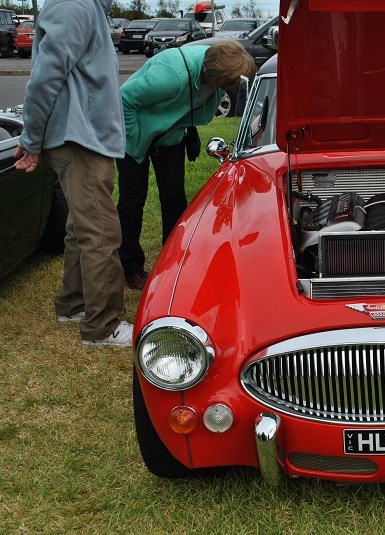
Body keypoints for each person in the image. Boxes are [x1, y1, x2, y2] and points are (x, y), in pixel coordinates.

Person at [14, 0, 132, 348]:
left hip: (86, 137)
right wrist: (32, 139)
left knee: (83, 228)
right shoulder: (75, 5)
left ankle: (74, 304)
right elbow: (44, 77)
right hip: (79, 138)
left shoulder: (86, 5)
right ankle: (102, 326)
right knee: (100, 232)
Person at [116, 40, 256, 290]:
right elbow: (124, 99)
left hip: (169, 136)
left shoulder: (213, 75)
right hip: (134, 136)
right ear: (216, 75)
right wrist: (132, 137)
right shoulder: (170, 74)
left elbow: (186, 102)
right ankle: (130, 268)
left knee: (174, 198)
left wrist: (188, 129)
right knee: (133, 200)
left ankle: (173, 262)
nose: (232, 89)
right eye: (231, 84)